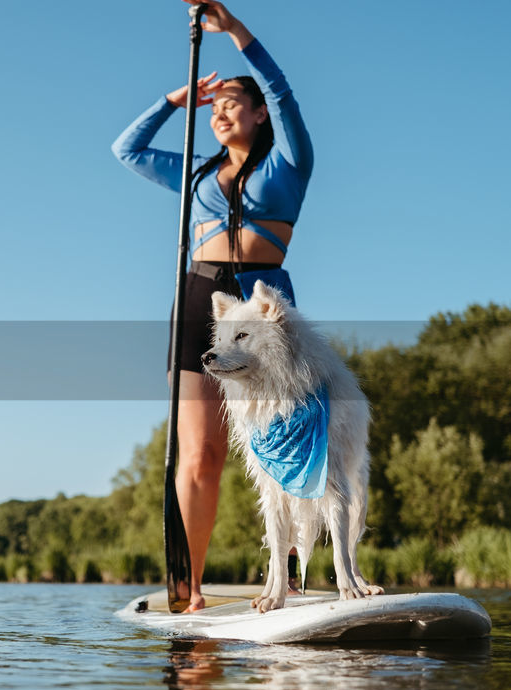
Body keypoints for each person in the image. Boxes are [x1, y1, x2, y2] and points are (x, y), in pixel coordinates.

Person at [111, 0, 313, 612]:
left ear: (258, 115)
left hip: (262, 304)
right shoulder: (195, 178)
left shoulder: (289, 165)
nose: (223, 112)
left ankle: (292, 574)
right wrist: (175, 103)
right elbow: (127, 149)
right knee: (201, 452)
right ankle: (190, 586)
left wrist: (236, 33)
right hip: (200, 298)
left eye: (234, 104)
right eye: (216, 107)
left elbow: (283, 93)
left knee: (281, 442)